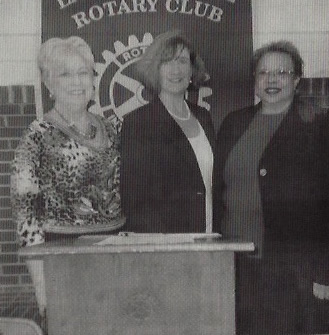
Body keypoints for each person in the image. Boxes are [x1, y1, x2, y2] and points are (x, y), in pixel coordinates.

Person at [214, 41, 329, 334]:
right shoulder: (233, 124)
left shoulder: (322, 124)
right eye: (263, 72)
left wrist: (328, 273)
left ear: (296, 80)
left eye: (281, 72)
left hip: (300, 275)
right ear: (254, 80)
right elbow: (220, 193)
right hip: (239, 269)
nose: (271, 80)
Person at [11, 36, 124, 316]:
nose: (76, 82)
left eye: (82, 72)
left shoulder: (110, 129)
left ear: (93, 80)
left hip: (115, 254)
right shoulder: (36, 136)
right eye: (65, 74)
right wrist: (42, 286)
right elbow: (27, 215)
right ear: (49, 85)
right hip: (63, 258)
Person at [119, 30, 215, 233]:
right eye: (167, 62)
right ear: (155, 69)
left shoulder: (203, 117)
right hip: (167, 242)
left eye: (181, 61)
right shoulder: (138, 123)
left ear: (191, 70)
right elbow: (135, 200)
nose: (175, 70)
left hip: (208, 234)